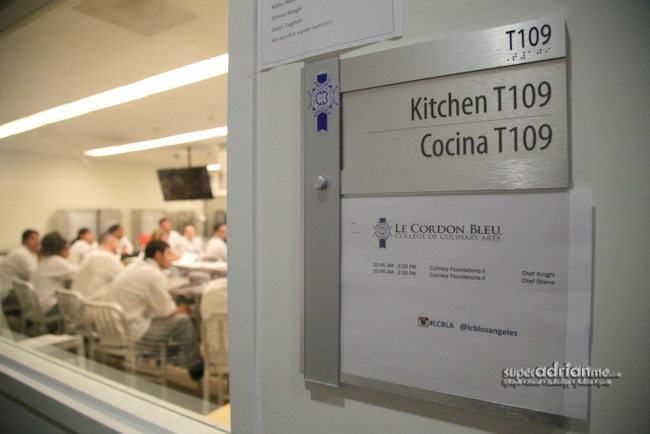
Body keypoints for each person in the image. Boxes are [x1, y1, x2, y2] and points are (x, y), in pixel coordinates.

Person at [105, 240, 203, 380]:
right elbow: (166, 312)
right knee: (183, 321)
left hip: (113, 328)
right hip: (132, 331)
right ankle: (195, 367)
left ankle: (187, 362)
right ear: (158, 255)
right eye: (169, 253)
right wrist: (189, 310)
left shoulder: (136, 267)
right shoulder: (153, 274)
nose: (172, 257)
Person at [32, 231, 77, 328]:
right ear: (59, 249)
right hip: (49, 308)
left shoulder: (45, 261)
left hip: (38, 306)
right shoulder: (56, 261)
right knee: (80, 304)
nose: (69, 253)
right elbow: (79, 275)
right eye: (66, 249)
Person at [72, 233, 124, 301]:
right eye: (117, 243)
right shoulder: (107, 257)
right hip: (95, 306)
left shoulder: (91, 254)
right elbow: (124, 278)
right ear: (111, 242)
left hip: (79, 303)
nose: (118, 247)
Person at [1, 229, 40, 300]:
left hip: (14, 290)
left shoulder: (29, 253)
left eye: (38, 239)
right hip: (9, 293)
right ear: (24, 241)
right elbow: (35, 276)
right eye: (33, 239)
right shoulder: (22, 254)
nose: (37, 242)